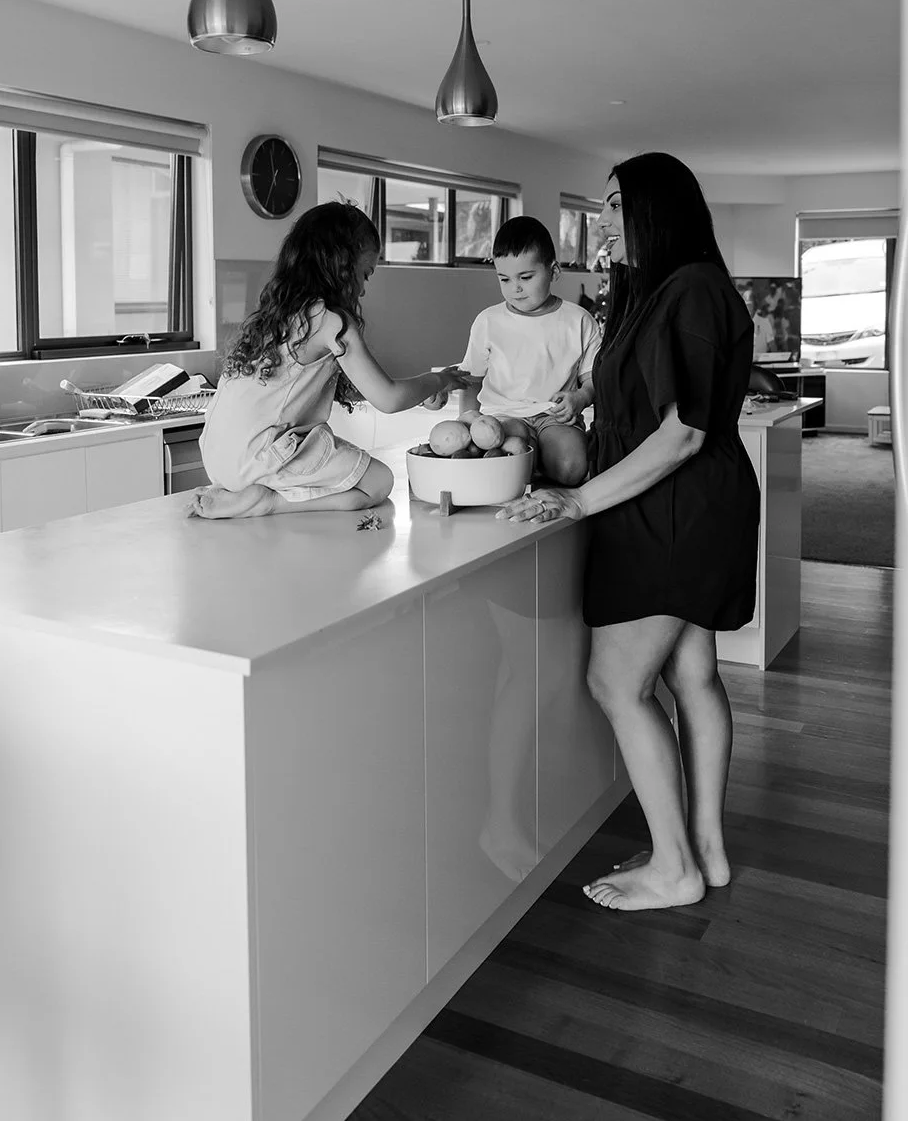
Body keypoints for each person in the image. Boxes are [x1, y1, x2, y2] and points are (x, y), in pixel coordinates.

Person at [498, 153, 759, 912]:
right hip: (682, 505)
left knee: (616, 682)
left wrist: (580, 502)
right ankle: (704, 851)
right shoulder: (671, 290)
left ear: (656, 209)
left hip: (674, 509)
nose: (603, 219)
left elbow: (682, 433)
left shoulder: (691, 291)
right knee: (692, 675)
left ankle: (674, 868)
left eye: (616, 205)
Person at [192, 202, 466, 518]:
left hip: (218, 458)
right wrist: (439, 379)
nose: (363, 290)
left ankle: (248, 495)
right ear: (342, 267)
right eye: (365, 274)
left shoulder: (275, 316)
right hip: (258, 459)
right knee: (378, 482)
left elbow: (356, 387)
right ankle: (267, 502)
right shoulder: (329, 320)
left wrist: (420, 394)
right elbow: (387, 398)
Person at [453, 216, 602, 486]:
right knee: (511, 454)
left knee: (572, 468)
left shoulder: (579, 320)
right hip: (504, 415)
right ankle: (533, 463)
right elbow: (471, 379)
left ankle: (540, 462)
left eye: (526, 277)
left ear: (553, 271)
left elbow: (592, 379)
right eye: (505, 279)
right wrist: (467, 421)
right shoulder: (488, 321)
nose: (516, 288)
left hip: (554, 416)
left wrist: (580, 398)